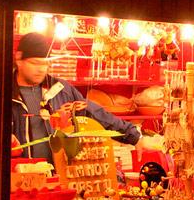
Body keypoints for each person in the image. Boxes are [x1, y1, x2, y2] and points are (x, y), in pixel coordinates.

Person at [11, 32, 149, 163]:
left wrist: (133, 135)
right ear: (19, 59)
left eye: (45, 63)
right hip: (16, 175)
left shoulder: (60, 89)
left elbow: (95, 113)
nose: (41, 69)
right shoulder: (5, 93)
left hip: (57, 175)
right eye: (35, 63)